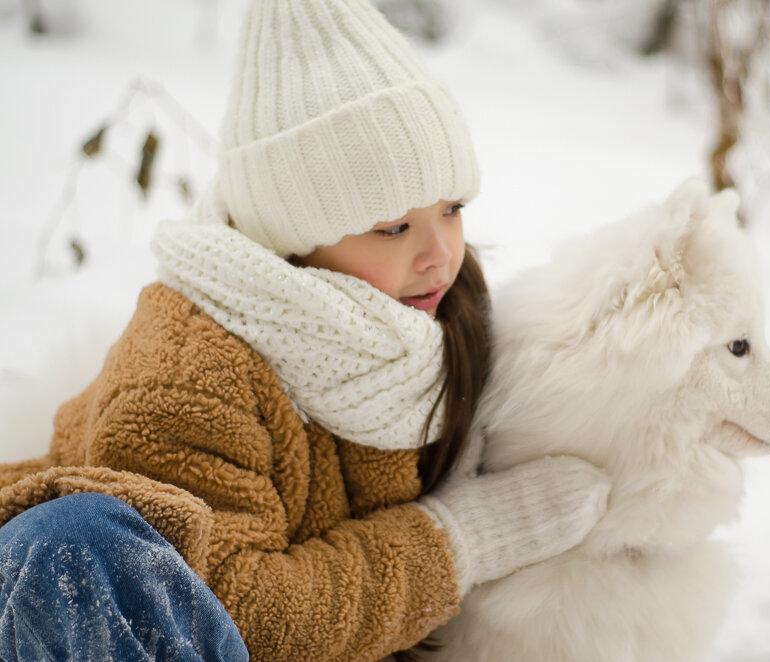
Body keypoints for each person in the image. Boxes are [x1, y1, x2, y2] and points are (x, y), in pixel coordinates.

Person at [0, 1, 611, 660]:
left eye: (453, 209)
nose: (441, 252)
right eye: (393, 226)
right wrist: (462, 540)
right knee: (79, 537)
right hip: (74, 612)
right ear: (295, 239)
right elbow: (237, 618)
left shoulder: (435, 305)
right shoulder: (189, 374)